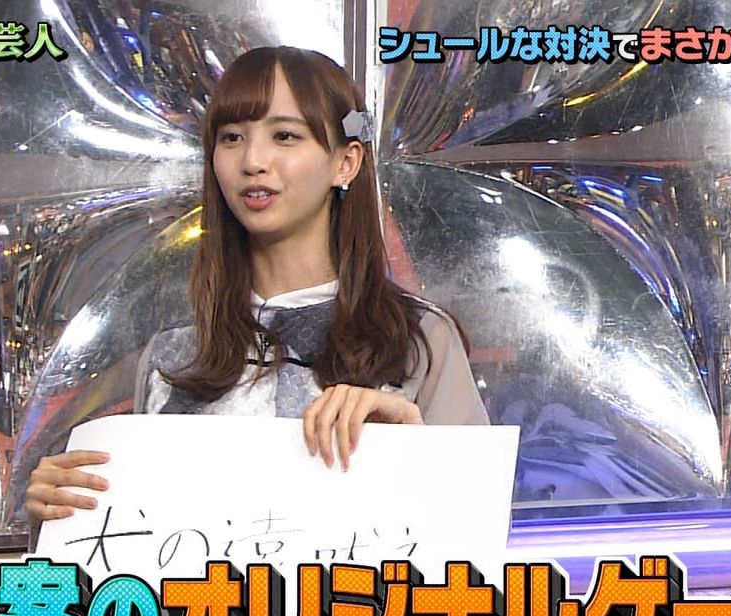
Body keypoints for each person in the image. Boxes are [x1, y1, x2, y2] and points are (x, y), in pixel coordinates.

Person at [24, 46, 487, 523]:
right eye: (232, 137)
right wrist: (59, 513)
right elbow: (139, 534)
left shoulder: (418, 338)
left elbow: (474, 532)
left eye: (285, 136)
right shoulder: (173, 355)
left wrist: (417, 446)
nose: (253, 160)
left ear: (346, 162)